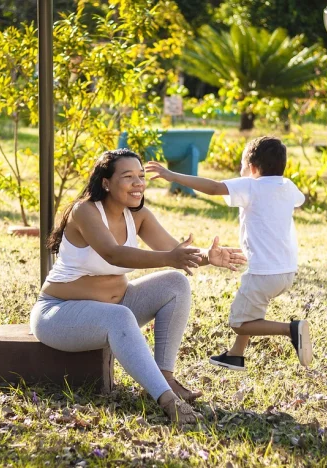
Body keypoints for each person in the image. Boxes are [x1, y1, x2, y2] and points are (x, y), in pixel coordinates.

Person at [30, 149, 246, 425]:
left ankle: (164, 376)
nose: (138, 183)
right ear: (106, 182)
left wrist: (208, 256)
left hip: (117, 304)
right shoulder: (84, 211)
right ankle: (168, 401)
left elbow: (174, 251)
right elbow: (113, 254)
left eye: (141, 176)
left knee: (176, 283)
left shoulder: (139, 215)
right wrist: (170, 258)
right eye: (128, 176)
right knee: (119, 316)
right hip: (59, 313)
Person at [145, 136, 313, 371]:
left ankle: (290, 329)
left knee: (241, 323)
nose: (240, 172)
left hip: (263, 274)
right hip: (287, 272)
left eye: (242, 167)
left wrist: (173, 176)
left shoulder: (251, 185)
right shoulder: (288, 186)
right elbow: (299, 202)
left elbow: (213, 187)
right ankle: (235, 355)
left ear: (252, 168)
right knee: (252, 311)